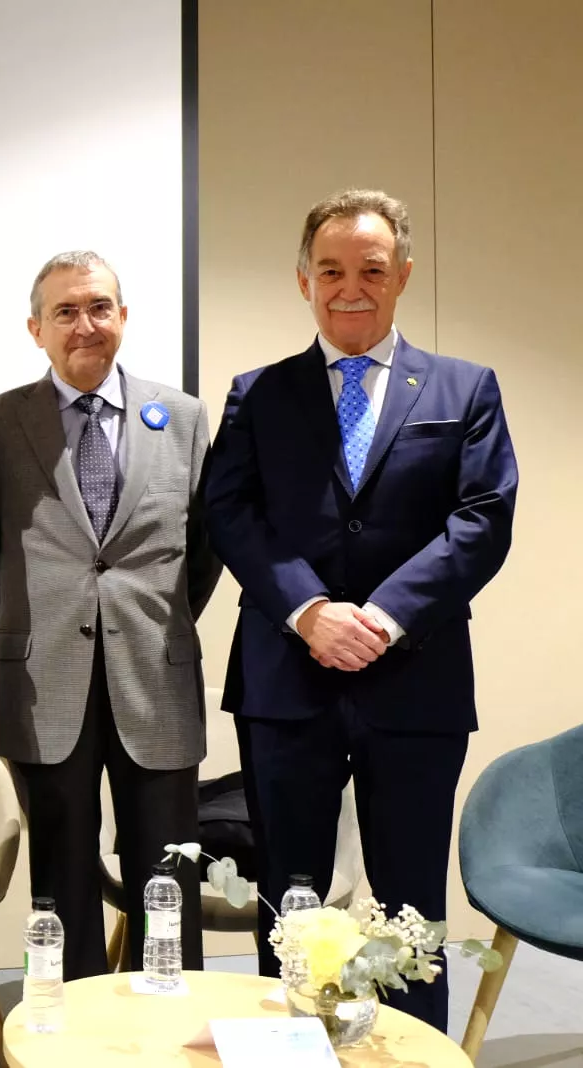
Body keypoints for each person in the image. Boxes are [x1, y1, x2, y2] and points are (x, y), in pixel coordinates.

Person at [205, 188, 518, 1030]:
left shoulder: (465, 388)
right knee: (292, 898)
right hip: (286, 678)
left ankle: (413, 1054)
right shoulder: (256, 394)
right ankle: (294, 1048)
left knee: (411, 904)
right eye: (332, 270)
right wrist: (308, 610)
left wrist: (382, 616)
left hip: (416, 682)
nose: (352, 287)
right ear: (303, 279)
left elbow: (483, 519)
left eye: (372, 270)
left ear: (403, 276)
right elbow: (231, 514)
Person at [0, 251, 220, 979]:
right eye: (66, 312)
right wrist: (33, 624)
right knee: (61, 884)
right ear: (36, 329)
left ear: (124, 317)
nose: (86, 325)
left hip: (156, 678)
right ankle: (72, 1041)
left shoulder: (182, 416)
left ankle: (166, 1041)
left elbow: (202, 550)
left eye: (100, 307)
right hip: (44, 684)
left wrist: (151, 622)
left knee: (165, 885)